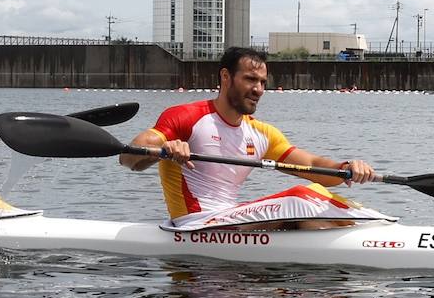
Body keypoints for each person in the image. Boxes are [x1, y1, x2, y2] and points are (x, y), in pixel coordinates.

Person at [119, 46, 379, 229]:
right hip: (195, 224)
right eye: (250, 79)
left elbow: (311, 165)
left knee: (313, 201)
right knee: (302, 196)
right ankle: (376, 228)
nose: (258, 90)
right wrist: (165, 147)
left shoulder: (262, 133)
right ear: (225, 77)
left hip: (231, 222)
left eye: (263, 82)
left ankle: (369, 230)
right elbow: (129, 158)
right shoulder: (187, 117)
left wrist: (346, 168)